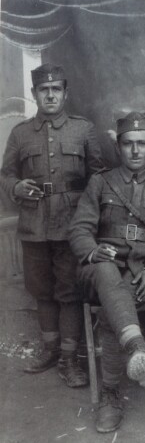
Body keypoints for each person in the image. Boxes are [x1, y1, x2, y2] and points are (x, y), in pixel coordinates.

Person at [69, 112, 145, 433]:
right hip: (100, 271)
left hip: (141, 276)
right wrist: (93, 250)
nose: (135, 150)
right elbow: (79, 230)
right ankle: (137, 348)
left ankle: (110, 395)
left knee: (112, 308)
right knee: (106, 273)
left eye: (141, 144)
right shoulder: (100, 182)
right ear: (118, 147)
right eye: (128, 144)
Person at [0, 63, 103, 387]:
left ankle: (70, 360)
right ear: (34, 94)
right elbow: (6, 174)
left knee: (69, 292)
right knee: (41, 292)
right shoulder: (20, 133)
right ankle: (50, 350)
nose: (50, 95)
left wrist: (88, 217)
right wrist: (15, 188)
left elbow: (98, 177)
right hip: (34, 224)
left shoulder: (83, 130)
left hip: (72, 224)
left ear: (65, 93)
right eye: (44, 90)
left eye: (56, 89)